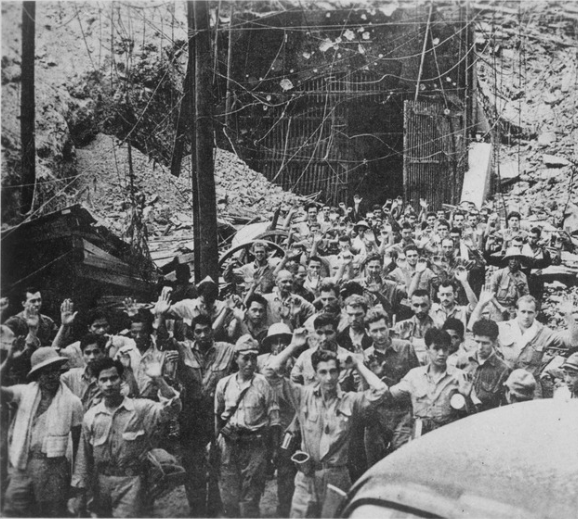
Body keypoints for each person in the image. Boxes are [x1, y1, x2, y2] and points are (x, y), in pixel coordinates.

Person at [267, 346, 387, 518]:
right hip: (306, 477)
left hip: (337, 477)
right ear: (315, 374)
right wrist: (293, 345)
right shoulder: (302, 395)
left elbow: (382, 391)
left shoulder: (350, 400)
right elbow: (270, 373)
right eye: (323, 372)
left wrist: (358, 364)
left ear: (339, 374)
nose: (329, 378)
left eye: (333, 372)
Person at [69, 357, 181, 517]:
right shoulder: (91, 416)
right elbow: (83, 457)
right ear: (97, 383)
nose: (109, 384)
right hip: (100, 484)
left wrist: (158, 379)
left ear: (121, 380)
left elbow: (173, 408)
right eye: (104, 380)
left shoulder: (141, 408)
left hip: (132, 483)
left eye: (113, 378)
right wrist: (80, 493)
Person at [1, 347, 83, 517]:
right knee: (14, 510)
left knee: (50, 513)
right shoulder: (25, 393)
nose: (51, 376)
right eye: (45, 372)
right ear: (37, 375)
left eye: (54, 370)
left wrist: (77, 481)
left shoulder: (73, 403)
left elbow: (78, 444)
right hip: (23, 463)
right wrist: (7, 362)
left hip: (54, 468)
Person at [214, 335, 281, 518]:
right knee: (228, 496)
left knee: (251, 499)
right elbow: (218, 416)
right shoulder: (224, 384)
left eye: (254, 358)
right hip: (229, 445)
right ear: (236, 358)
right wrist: (215, 444)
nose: (250, 363)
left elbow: (274, 418)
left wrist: (274, 449)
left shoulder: (263, 384)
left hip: (254, 446)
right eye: (245, 358)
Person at [385, 328, 470, 436]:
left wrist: (466, 397)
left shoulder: (459, 376)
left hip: (447, 432)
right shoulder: (414, 375)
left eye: (445, 349)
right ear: (427, 349)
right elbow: (389, 396)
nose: (441, 353)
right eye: (436, 349)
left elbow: (472, 416)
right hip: (420, 431)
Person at [363, 309, 419, 461]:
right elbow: (363, 393)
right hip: (378, 419)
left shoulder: (406, 347)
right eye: (374, 331)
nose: (380, 335)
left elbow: (418, 379)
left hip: (403, 415)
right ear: (367, 332)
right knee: (375, 464)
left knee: (403, 459)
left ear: (389, 327)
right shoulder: (365, 357)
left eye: (382, 329)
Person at [61, 333, 138, 411]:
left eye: (96, 352)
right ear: (82, 355)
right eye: (87, 353)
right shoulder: (70, 377)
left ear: (104, 353)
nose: (92, 357)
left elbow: (131, 397)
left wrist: (128, 370)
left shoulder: (111, 379)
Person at [291, 313, 354, 390]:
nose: (324, 338)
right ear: (314, 333)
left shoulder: (349, 357)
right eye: (319, 333)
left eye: (329, 333)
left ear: (337, 332)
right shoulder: (305, 356)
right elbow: (294, 382)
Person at [462, 320, 511, 412]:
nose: (480, 347)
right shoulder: (462, 361)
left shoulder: (503, 370)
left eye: (485, 343)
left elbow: (505, 407)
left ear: (495, 342)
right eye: (477, 342)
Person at [393, 289, 435, 365]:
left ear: (430, 305)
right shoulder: (401, 326)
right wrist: (402, 338)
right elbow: (395, 355)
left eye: (423, 305)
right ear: (411, 305)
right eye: (416, 305)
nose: (420, 310)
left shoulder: (438, 327)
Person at [489, 247, 530, 321]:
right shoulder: (498, 274)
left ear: (520, 261)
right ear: (508, 260)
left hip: (513, 308)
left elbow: (526, 297)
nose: (513, 261)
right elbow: (491, 295)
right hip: (498, 307)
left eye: (516, 259)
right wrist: (501, 308)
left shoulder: (523, 276)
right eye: (511, 258)